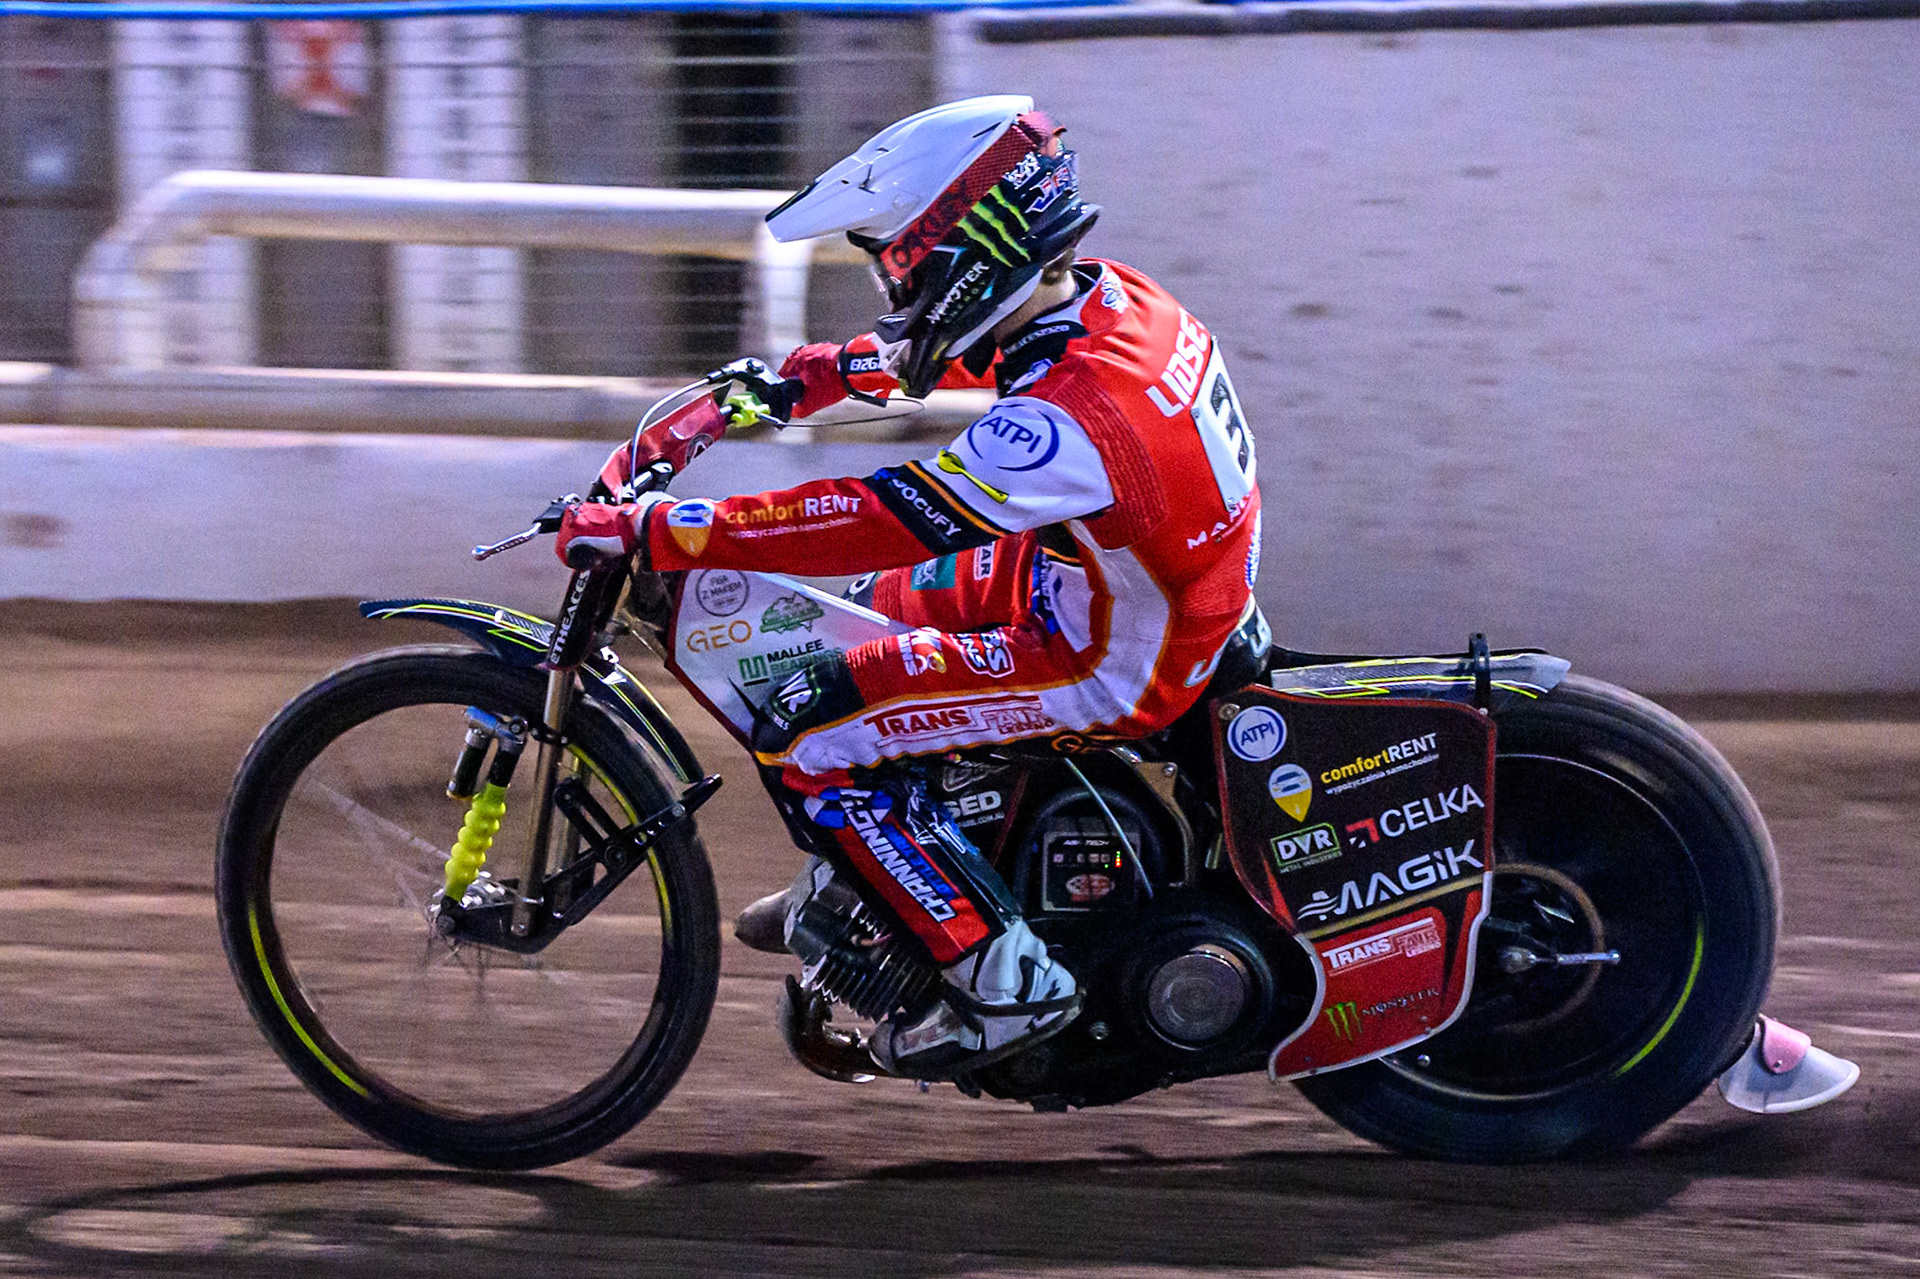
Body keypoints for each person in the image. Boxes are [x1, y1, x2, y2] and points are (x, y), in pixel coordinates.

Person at [554, 95, 1262, 1079]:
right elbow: (955, 349)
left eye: (902, 261)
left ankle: (1002, 979)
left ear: (968, 241)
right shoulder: (1113, 299)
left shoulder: (1066, 424)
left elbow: (880, 512)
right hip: (1114, 583)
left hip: (1112, 656)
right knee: (857, 630)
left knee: (806, 724)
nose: (895, 281)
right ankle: (893, 878)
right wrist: (800, 381)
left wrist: (666, 528)